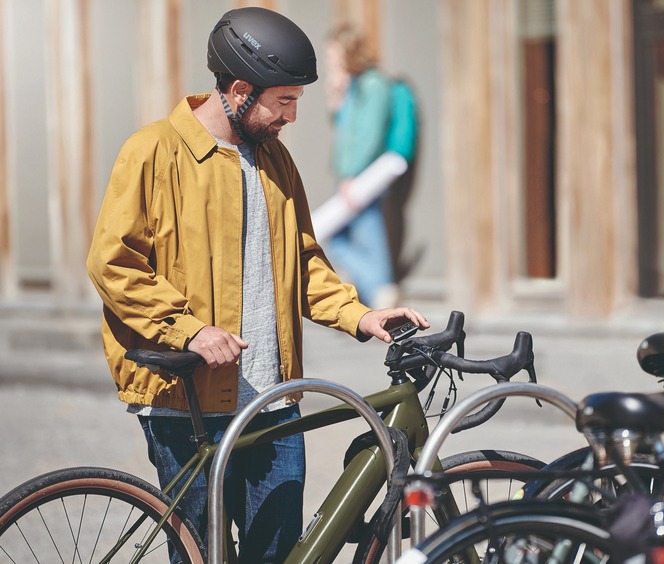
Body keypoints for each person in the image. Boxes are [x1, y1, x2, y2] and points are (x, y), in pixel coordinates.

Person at [85, 7, 428, 562]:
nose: (292, 117)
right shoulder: (152, 152)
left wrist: (359, 315)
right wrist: (188, 330)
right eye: (284, 101)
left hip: (274, 400)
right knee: (200, 554)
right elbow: (113, 264)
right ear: (241, 90)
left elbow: (304, 261)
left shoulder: (275, 159)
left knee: (278, 552)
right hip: (185, 403)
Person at [322, 24, 410, 309]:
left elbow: (369, 136)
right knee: (351, 234)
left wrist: (351, 175)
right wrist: (336, 97)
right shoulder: (354, 84)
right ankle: (377, 290)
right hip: (351, 174)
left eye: (333, 53)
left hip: (365, 176)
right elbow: (342, 130)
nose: (329, 60)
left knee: (363, 231)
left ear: (348, 51)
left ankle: (382, 289)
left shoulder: (373, 84)